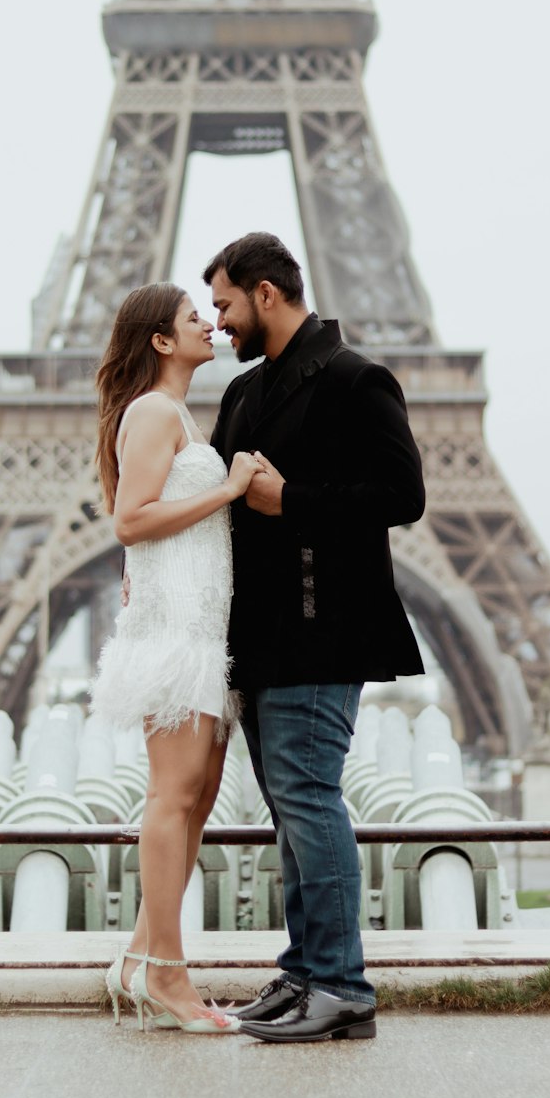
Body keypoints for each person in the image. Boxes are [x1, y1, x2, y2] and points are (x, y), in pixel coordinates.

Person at [204, 233, 426, 1043]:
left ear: (267, 294)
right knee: (290, 811)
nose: (219, 322)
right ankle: (305, 973)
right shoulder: (241, 395)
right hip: (260, 637)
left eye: (225, 304)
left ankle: (341, 985)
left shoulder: (355, 379)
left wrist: (291, 499)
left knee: (309, 800)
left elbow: (404, 495)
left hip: (322, 630)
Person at [91, 282, 261, 1035]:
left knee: (195, 797)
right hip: (177, 632)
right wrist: (227, 488)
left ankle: (138, 956)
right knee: (174, 796)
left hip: (201, 624)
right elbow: (131, 520)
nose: (209, 323)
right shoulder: (155, 410)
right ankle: (168, 975)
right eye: (195, 317)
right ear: (161, 341)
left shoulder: (177, 411)